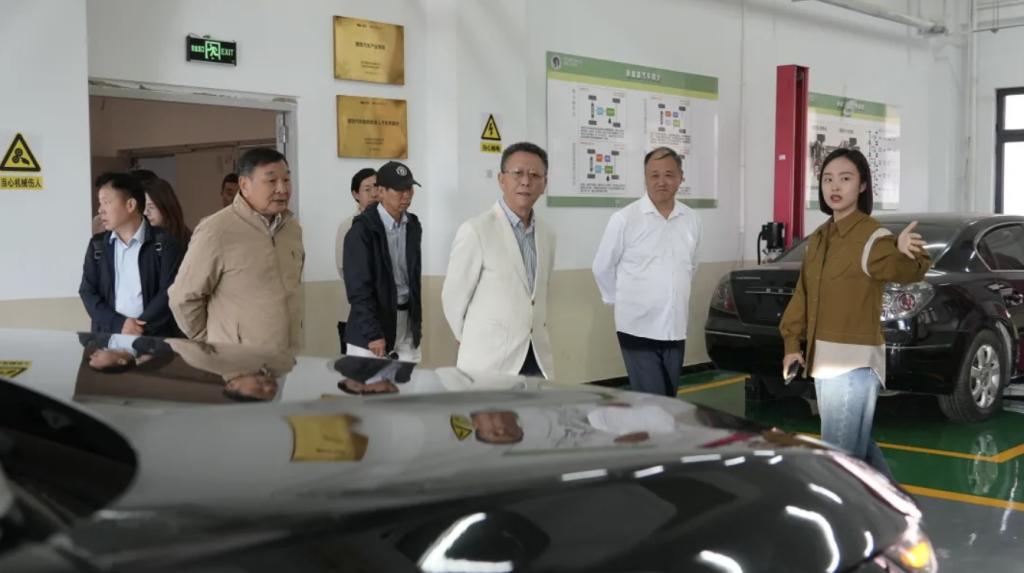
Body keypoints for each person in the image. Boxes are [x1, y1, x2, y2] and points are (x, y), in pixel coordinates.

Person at [780, 148, 929, 477]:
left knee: (838, 460)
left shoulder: (873, 237)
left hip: (853, 365)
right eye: (828, 179)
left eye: (845, 179)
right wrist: (792, 344)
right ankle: (893, 505)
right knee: (856, 450)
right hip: (824, 362)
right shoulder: (819, 238)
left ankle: (854, 509)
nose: (835, 186)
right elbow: (803, 294)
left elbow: (905, 270)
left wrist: (907, 253)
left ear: (862, 186)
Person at [168, 148, 304, 350]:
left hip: (288, 354)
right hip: (238, 359)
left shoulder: (291, 228)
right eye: (271, 181)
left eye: (286, 180)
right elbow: (183, 297)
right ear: (245, 185)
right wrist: (209, 339)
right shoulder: (216, 230)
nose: (282, 189)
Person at [591, 147, 702, 396]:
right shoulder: (625, 219)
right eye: (654, 175)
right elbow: (602, 266)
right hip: (637, 327)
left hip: (675, 326)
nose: (662, 181)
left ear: (681, 178)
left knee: (668, 398)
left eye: (669, 175)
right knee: (652, 400)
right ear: (645, 178)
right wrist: (618, 300)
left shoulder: (692, 219)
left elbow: (691, 266)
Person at [441, 142, 556, 378]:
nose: (526, 181)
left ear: (544, 184)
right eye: (518, 173)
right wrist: (470, 339)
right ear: (501, 179)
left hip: (536, 357)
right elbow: (452, 298)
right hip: (488, 361)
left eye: (535, 175)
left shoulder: (547, 234)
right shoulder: (476, 230)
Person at [79, 172, 184, 338]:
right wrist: (119, 324)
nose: (100, 210)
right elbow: (87, 292)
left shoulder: (164, 243)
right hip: (109, 341)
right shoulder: (97, 246)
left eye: (106, 202)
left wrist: (139, 327)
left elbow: (169, 292)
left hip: (154, 342)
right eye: (100, 203)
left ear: (130, 205)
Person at [343, 161, 422, 361]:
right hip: (371, 332)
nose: (407, 195)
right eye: (399, 189)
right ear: (380, 192)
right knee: (372, 381)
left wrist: (416, 326)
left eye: (410, 188)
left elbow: (413, 279)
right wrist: (373, 333)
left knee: (408, 380)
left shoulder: (413, 225)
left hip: (405, 325)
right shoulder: (362, 230)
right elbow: (358, 288)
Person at [335, 168, 378, 352]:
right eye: (367, 189)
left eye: (377, 187)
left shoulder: (391, 223)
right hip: (354, 313)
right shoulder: (349, 226)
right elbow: (344, 269)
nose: (374, 194)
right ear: (356, 194)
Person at [142, 176, 192, 248]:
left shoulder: (187, 241)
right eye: (143, 207)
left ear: (166, 206)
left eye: (151, 207)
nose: (145, 212)